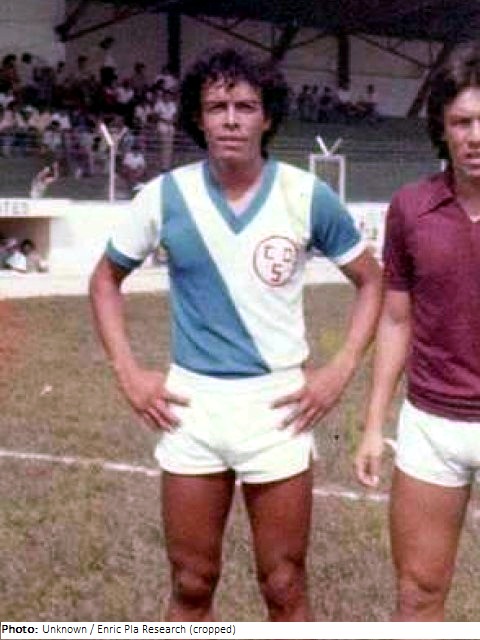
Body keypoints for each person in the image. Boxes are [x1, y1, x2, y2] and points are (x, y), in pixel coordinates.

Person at [89, 46, 381, 622]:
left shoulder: (306, 195)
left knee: (284, 584)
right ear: (198, 118)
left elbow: (372, 282)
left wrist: (340, 368)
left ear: (267, 117)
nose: (230, 120)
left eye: (245, 107)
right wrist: (129, 373)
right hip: (192, 406)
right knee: (191, 583)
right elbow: (104, 280)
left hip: (277, 407)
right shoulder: (165, 195)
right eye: (216, 107)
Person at [355, 42, 480, 621]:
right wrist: (373, 425)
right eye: (462, 122)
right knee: (418, 595)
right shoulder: (410, 208)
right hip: (432, 427)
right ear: (442, 129)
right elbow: (395, 318)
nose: (475, 136)